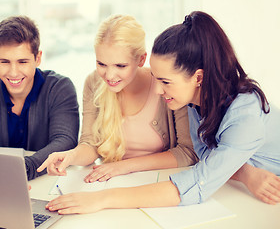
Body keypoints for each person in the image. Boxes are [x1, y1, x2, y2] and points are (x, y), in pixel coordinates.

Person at [44, 11, 280, 214]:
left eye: (165, 82)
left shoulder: (244, 115)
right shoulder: (194, 103)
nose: (157, 90)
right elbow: (209, 160)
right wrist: (246, 173)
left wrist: (102, 199)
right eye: (156, 79)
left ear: (198, 77)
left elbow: (195, 184)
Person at [37, 14, 197, 183]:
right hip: (112, 181)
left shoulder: (165, 84)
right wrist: (70, 156)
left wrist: (124, 167)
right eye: (101, 64)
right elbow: (90, 145)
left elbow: (187, 152)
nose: (109, 75)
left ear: (141, 59)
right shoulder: (93, 82)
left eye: (121, 65)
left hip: (160, 182)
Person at [0, 16, 79, 180]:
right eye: (5, 62)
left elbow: (65, 141)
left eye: (22, 62)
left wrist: (21, 171)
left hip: (47, 179)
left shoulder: (59, 88)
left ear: (38, 58)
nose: (13, 72)